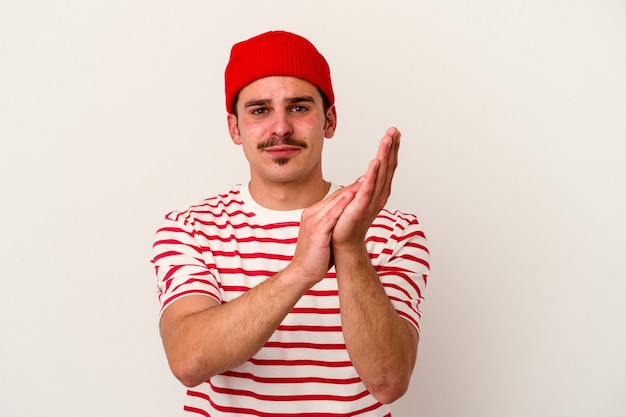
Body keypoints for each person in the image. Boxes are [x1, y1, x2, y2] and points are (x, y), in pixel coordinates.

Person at [151, 30, 430, 416]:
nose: (280, 127)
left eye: (299, 107)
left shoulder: (393, 231)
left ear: (329, 120)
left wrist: (348, 247)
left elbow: (388, 381)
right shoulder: (191, 228)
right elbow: (188, 361)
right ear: (235, 128)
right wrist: (300, 271)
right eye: (260, 110)